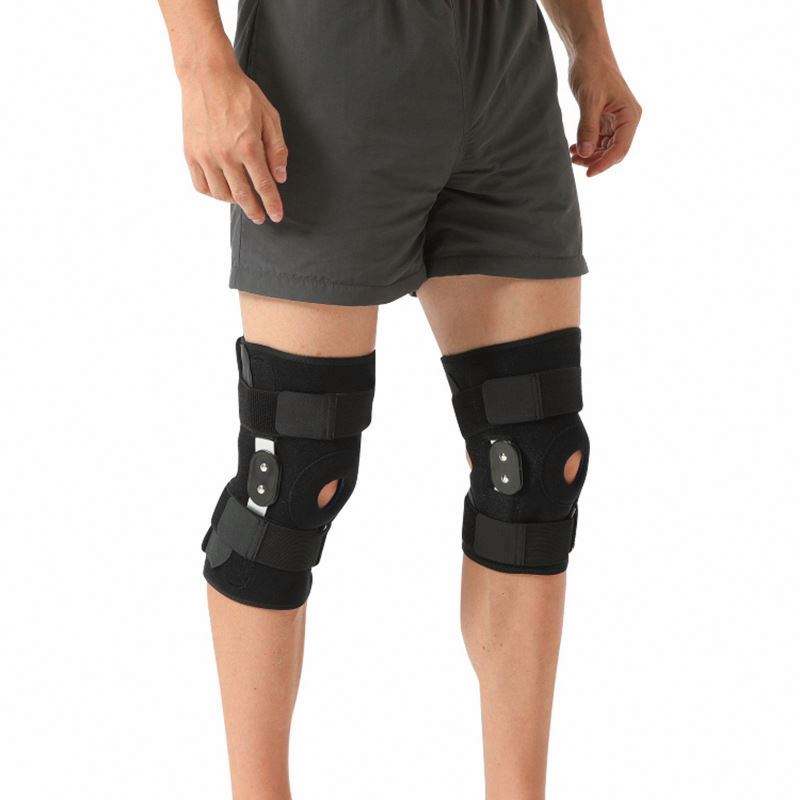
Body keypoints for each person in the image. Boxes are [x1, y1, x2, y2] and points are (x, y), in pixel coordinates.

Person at [157, 1, 641, 797]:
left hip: (503, 67)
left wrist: (590, 43)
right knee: (293, 472)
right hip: (329, 67)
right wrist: (200, 64)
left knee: (535, 464)